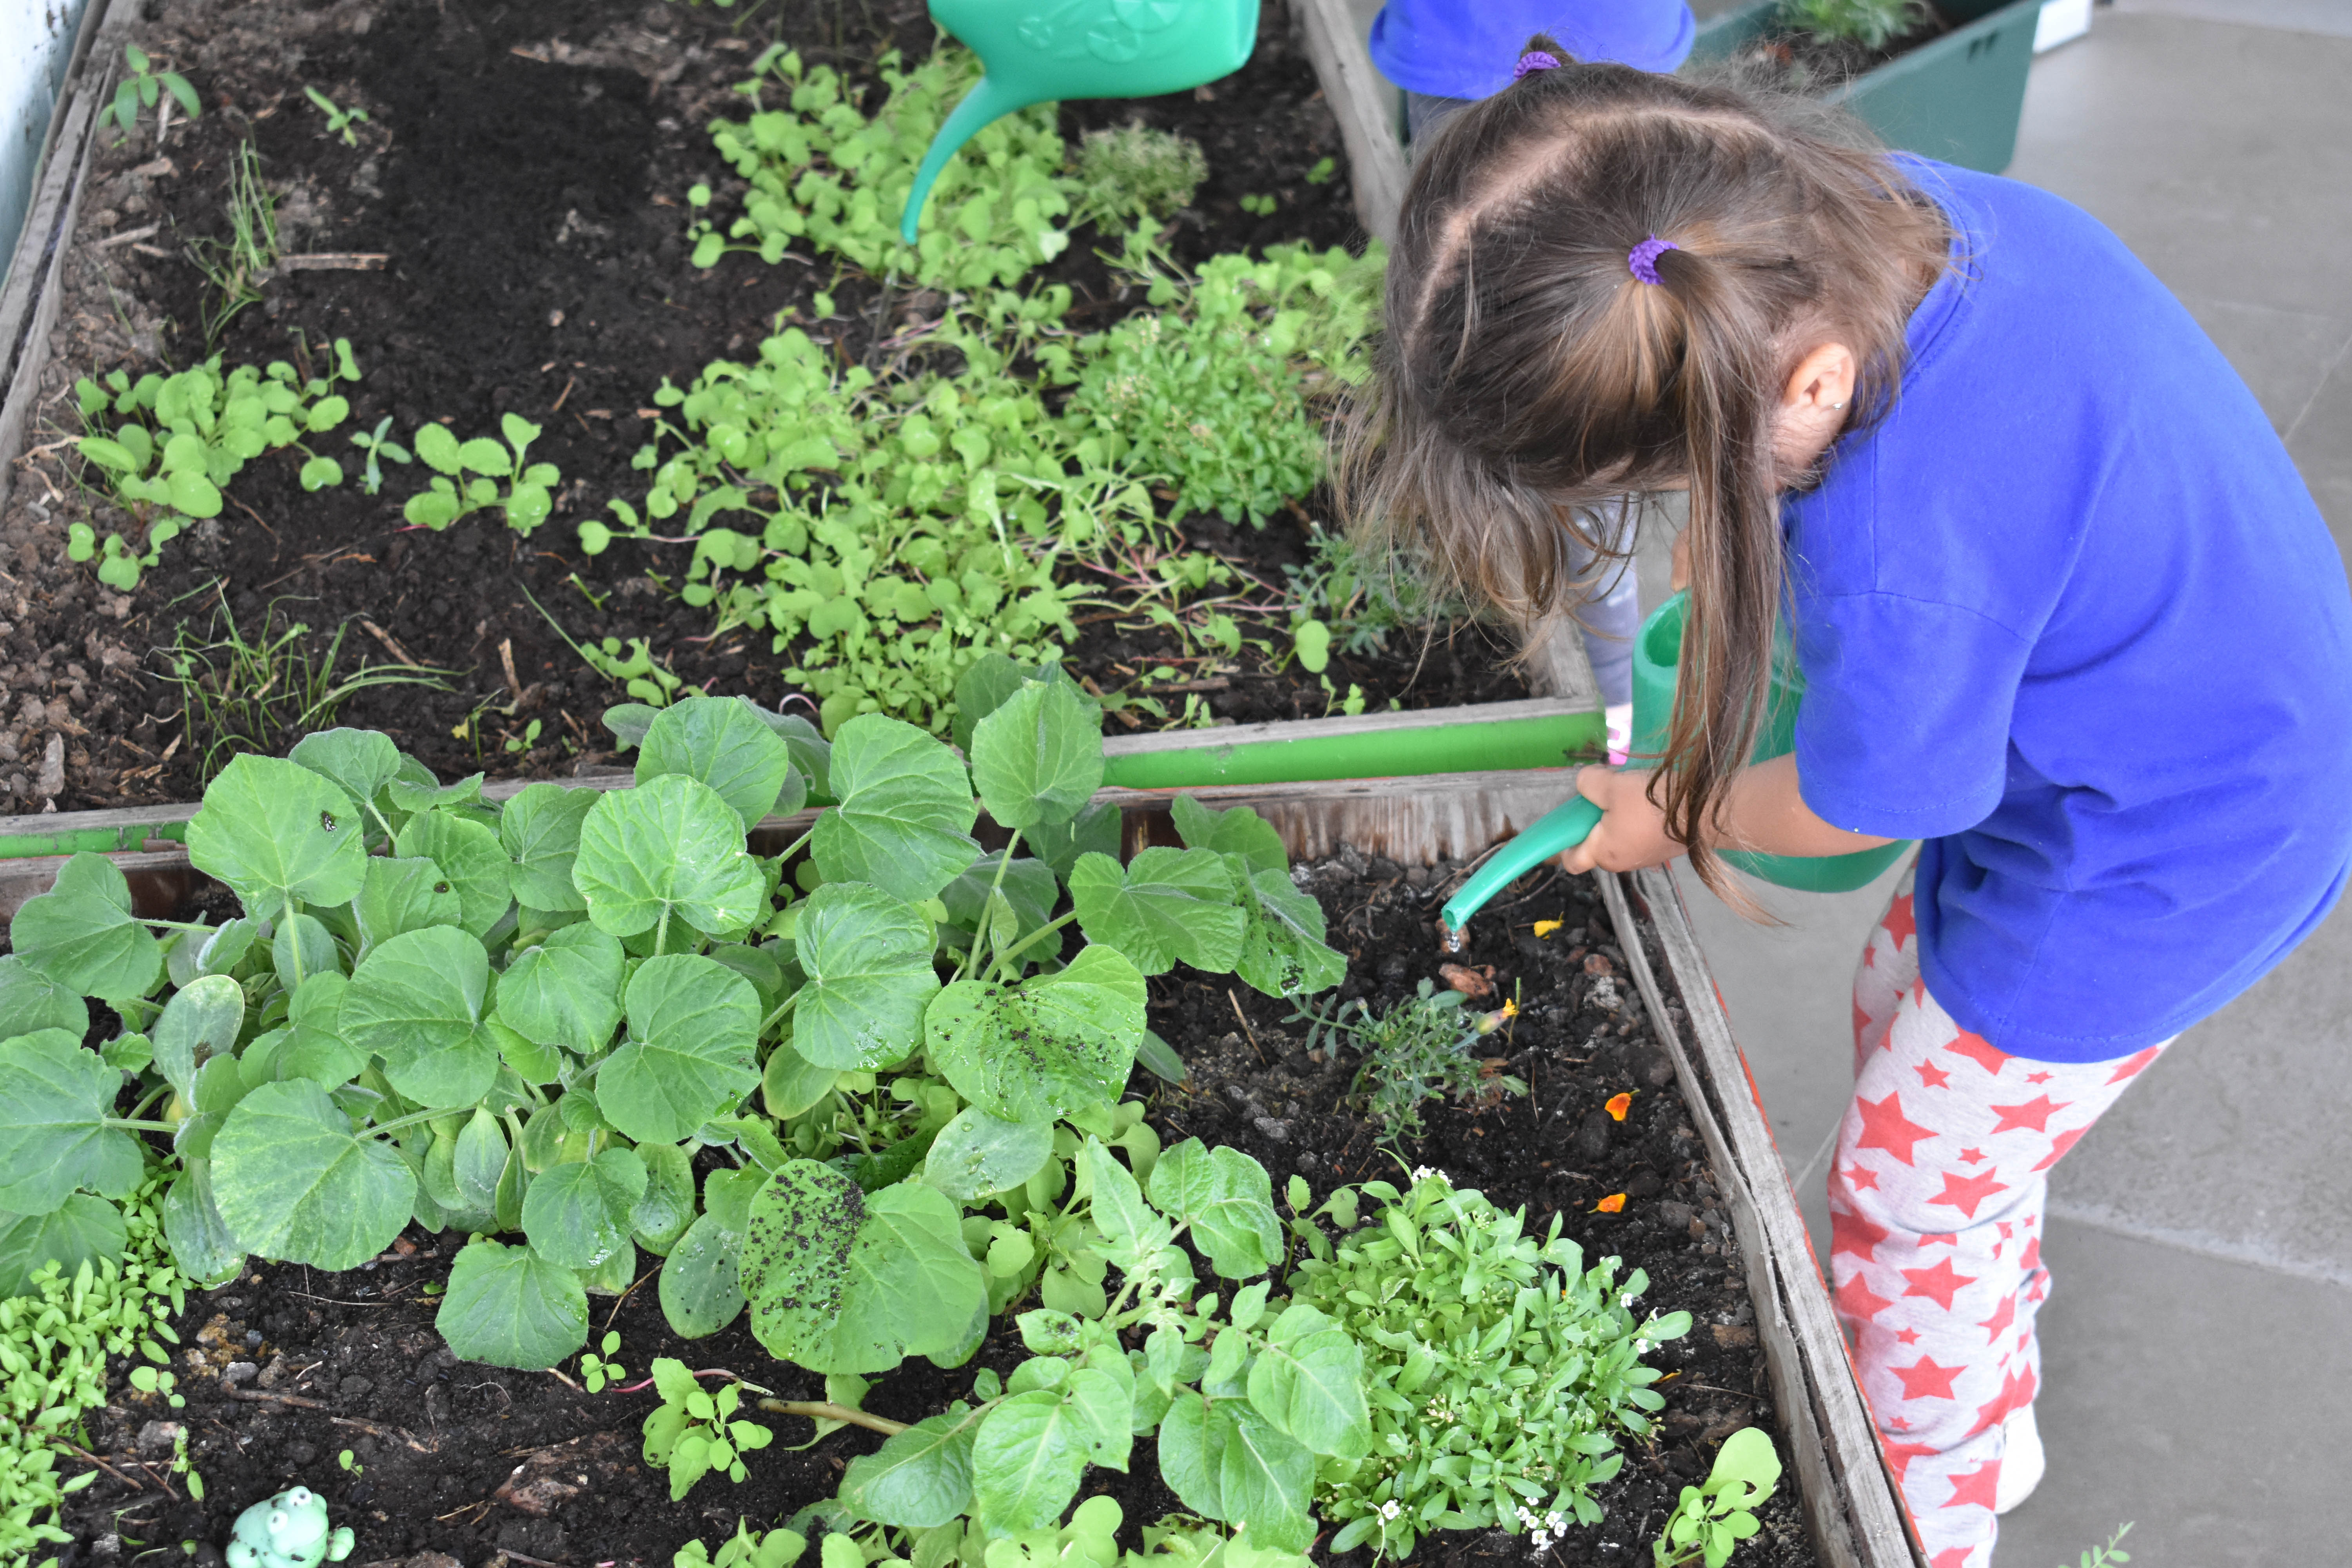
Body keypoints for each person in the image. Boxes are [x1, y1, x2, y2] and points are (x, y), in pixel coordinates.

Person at [1338, 42, 2352, 1568]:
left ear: (1804, 386)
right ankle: (1989, 1420)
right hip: (2170, 732)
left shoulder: (1900, 552)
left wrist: (1667, 817)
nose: (1684, 511)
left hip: (2170, 851)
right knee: (1905, 999)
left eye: (1677, 475)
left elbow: (1852, 802)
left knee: (1910, 1189)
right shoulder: (1904, 224)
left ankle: (1925, 1521)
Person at [1368, 2, 1696, 748]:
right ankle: (1622, 702)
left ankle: (1620, 698)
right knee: (1568, 377)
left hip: (1478, 46)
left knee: (1574, 379)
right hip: (1602, 40)